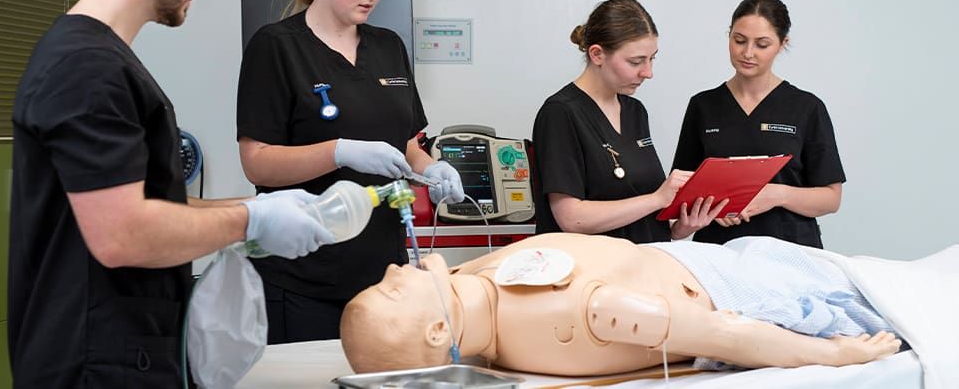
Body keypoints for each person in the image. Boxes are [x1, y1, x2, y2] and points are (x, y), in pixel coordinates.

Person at [8, 0, 329, 387]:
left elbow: (151, 203)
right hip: (92, 367)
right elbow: (122, 233)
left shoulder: (100, 60)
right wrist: (250, 222)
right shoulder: (86, 67)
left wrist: (257, 207)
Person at [236, 0, 464, 343]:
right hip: (303, 277)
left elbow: (408, 143)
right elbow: (257, 164)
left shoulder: (388, 47)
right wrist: (338, 151)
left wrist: (431, 167)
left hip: (384, 280)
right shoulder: (277, 47)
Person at [340, 233, 904, 376]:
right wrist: (833, 357)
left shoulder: (465, 288)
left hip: (698, 255)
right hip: (736, 284)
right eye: (392, 289)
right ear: (439, 332)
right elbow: (721, 334)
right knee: (885, 285)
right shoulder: (573, 314)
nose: (394, 269)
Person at [532, 0, 724, 243]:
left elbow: (640, 211)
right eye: (636, 62)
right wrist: (658, 198)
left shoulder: (635, 111)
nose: (648, 72)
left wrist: (679, 228)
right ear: (597, 54)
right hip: (594, 272)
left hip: (644, 263)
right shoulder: (560, 113)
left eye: (652, 58)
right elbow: (571, 218)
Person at [672, 0, 845, 247]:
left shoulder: (807, 107)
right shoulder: (703, 106)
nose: (748, 53)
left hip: (790, 251)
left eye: (762, 44)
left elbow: (831, 199)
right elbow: (682, 190)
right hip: (718, 251)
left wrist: (776, 194)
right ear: (729, 34)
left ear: (782, 44)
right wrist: (703, 212)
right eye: (739, 40)